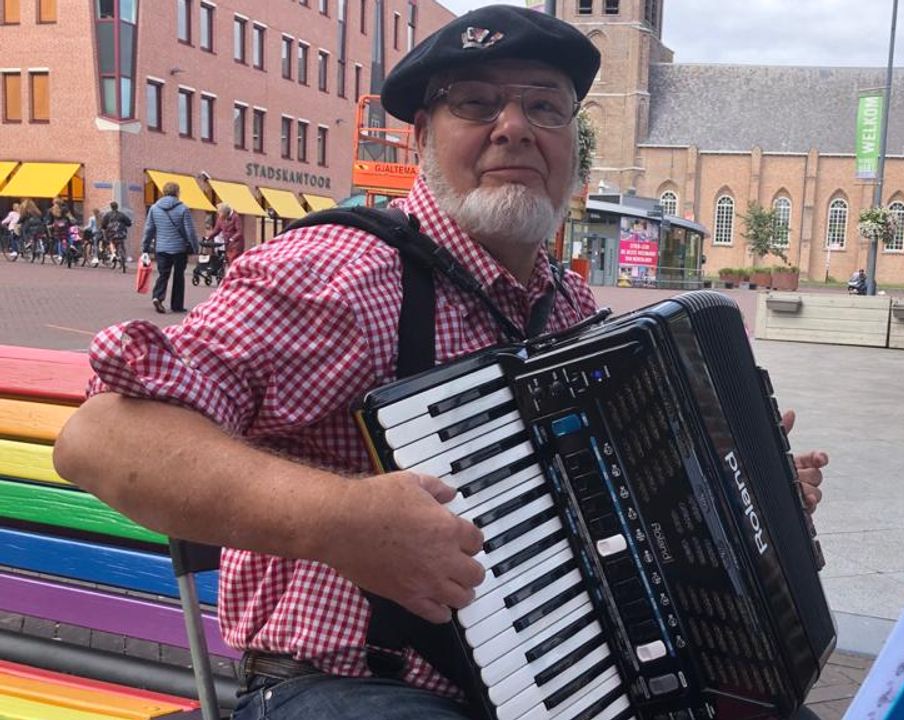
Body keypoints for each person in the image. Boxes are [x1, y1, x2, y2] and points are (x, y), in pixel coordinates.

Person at [53, 7, 828, 720]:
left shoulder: (575, 316)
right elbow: (101, 441)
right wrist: (339, 521)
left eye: (545, 107)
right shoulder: (337, 274)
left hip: (563, 684)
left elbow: (632, 519)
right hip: (349, 690)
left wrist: (740, 501)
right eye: (477, 103)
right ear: (422, 136)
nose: (515, 128)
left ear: (571, 147)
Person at [142, 181, 199, 313]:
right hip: (179, 249)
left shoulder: (154, 208)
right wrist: (195, 248)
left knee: (163, 274)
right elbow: (190, 231)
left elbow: (149, 229)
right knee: (179, 276)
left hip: (161, 248)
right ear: (177, 192)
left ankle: (158, 297)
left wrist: (145, 247)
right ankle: (177, 305)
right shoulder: (183, 208)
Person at [101, 201, 133, 266]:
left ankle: (113, 254)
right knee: (121, 243)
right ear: (117, 207)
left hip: (111, 233)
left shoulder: (108, 214)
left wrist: (104, 227)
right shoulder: (122, 214)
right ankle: (123, 259)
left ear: (111, 207)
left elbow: (103, 224)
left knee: (110, 241)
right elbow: (128, 223)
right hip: (121, 233)